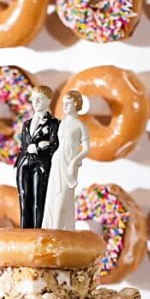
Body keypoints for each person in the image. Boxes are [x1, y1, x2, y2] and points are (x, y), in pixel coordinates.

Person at [42, 91, 91, 231]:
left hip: (69, 162)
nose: (64, 106)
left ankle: (57, 231)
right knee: (53, 195)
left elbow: (86, 149)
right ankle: (51, 228)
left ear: (76, 104)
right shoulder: (63, 122)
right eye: (64, 103)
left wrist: (74, 162)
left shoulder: (80, 125)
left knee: (63, 196)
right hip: (57, 160)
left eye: (68, 103)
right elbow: (59, 142)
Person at [15, 86, 60, 228]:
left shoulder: (53, 123)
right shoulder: (27, 123)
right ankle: (24, 229)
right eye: (34, 99)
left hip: (40, 164)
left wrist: (40, 147)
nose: (36, 102)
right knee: (24, 196)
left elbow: (55, 145)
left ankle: (37, 229)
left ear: (48, 101)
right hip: (24, 162)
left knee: (38, 198)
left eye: (39, 99)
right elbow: (23, 145)